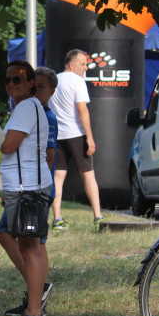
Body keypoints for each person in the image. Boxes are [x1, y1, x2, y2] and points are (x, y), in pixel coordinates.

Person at [0, 66, 58, 316]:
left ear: (30, 83)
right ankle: (35, 303)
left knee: (31, 249)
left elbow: (7, 146)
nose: (11, 83)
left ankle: (33, 310)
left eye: (17, 79)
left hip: (29, 188)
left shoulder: (27, 107)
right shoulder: (30, 107)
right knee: (28, 247)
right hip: (27, 186)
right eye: (7, 80)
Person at [48, 49, 107, 232]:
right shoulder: (78, 81)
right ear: (72, 64)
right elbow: (82, 109)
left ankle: (57, 218)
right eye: (83, 64)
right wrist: (89, 137)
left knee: (58, 177)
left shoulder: (54, 81)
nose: (86, 68)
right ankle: (98, 216)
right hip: (75, 134)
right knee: (88, 175)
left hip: (57, 136)